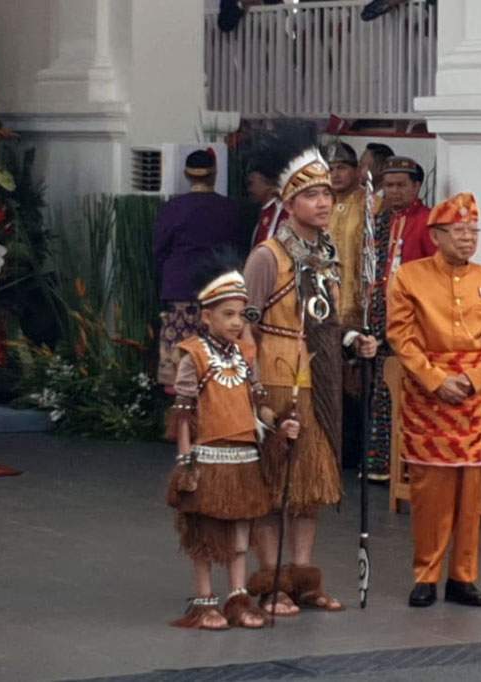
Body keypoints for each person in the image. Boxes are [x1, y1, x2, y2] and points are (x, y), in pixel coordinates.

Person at [240, 122, 377, 616]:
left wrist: (352, 340)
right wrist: (251, 391)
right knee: (272, 488)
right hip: (274, 380)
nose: (323, 202)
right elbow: (242, 330)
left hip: (318, 379)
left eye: (327, 194)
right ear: (289, 202)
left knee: (310, 489)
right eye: (313, 194)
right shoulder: (267, 256)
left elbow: (328, 318)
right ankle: (271, 582)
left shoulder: (328, 254)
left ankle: (302, 578)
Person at [387, 192, 481, 608]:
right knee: (430, 493)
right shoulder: (409, 277)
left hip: (474, 399)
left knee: (472, 493)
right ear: (436, 235)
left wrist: (474, 379)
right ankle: (425, 574)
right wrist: (436, 379)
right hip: (429, 397)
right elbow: (401, 338)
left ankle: (464, 577)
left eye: (473, 231)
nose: (467, 239)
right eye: (458, 232)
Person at [164, 265, 298, 630]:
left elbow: (259, 406)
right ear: (206, 316)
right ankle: (204, 601)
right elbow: (184, 413)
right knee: (206, 535)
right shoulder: (194, 355)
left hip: (243, 459)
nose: (237, 322)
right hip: (208, 459)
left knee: (242, 532)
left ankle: (237, 597)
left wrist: (280, 423)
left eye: (241, 314)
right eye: (228, 314)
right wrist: (185, 461)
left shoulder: (245, 356)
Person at [364, 155, 435, 480]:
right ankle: (382, 465)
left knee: (408, 394)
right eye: (388, 185)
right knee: (381, 389)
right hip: (380, 316)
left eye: (400, 185)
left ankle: (407, 466)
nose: (392, 191)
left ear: (416, 186)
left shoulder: (428, 222)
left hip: (414, 322)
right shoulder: (379, 221)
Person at [154, 148, 246, 389]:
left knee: (178, 362)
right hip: (218, 295)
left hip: (180, 291)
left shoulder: (172, 208)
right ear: (214, 174)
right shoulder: (232, 209)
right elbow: (240, 250)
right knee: (214, 362)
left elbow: (160, 251)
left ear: (187, 174)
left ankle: (180, 414)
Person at [323, 141, 377, 468]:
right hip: (326, 308)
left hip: (358, 308)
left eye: (341, 167)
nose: (335, 174)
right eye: (330, 169)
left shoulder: (372, 205)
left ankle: (356, 455)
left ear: (357, 170)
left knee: (357, 385)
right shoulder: (320, 205)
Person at [246, 139, 287, 248]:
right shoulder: (264, 211)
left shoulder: (285, 212)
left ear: (268, 183)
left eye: (251, 184)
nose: (249, 190)